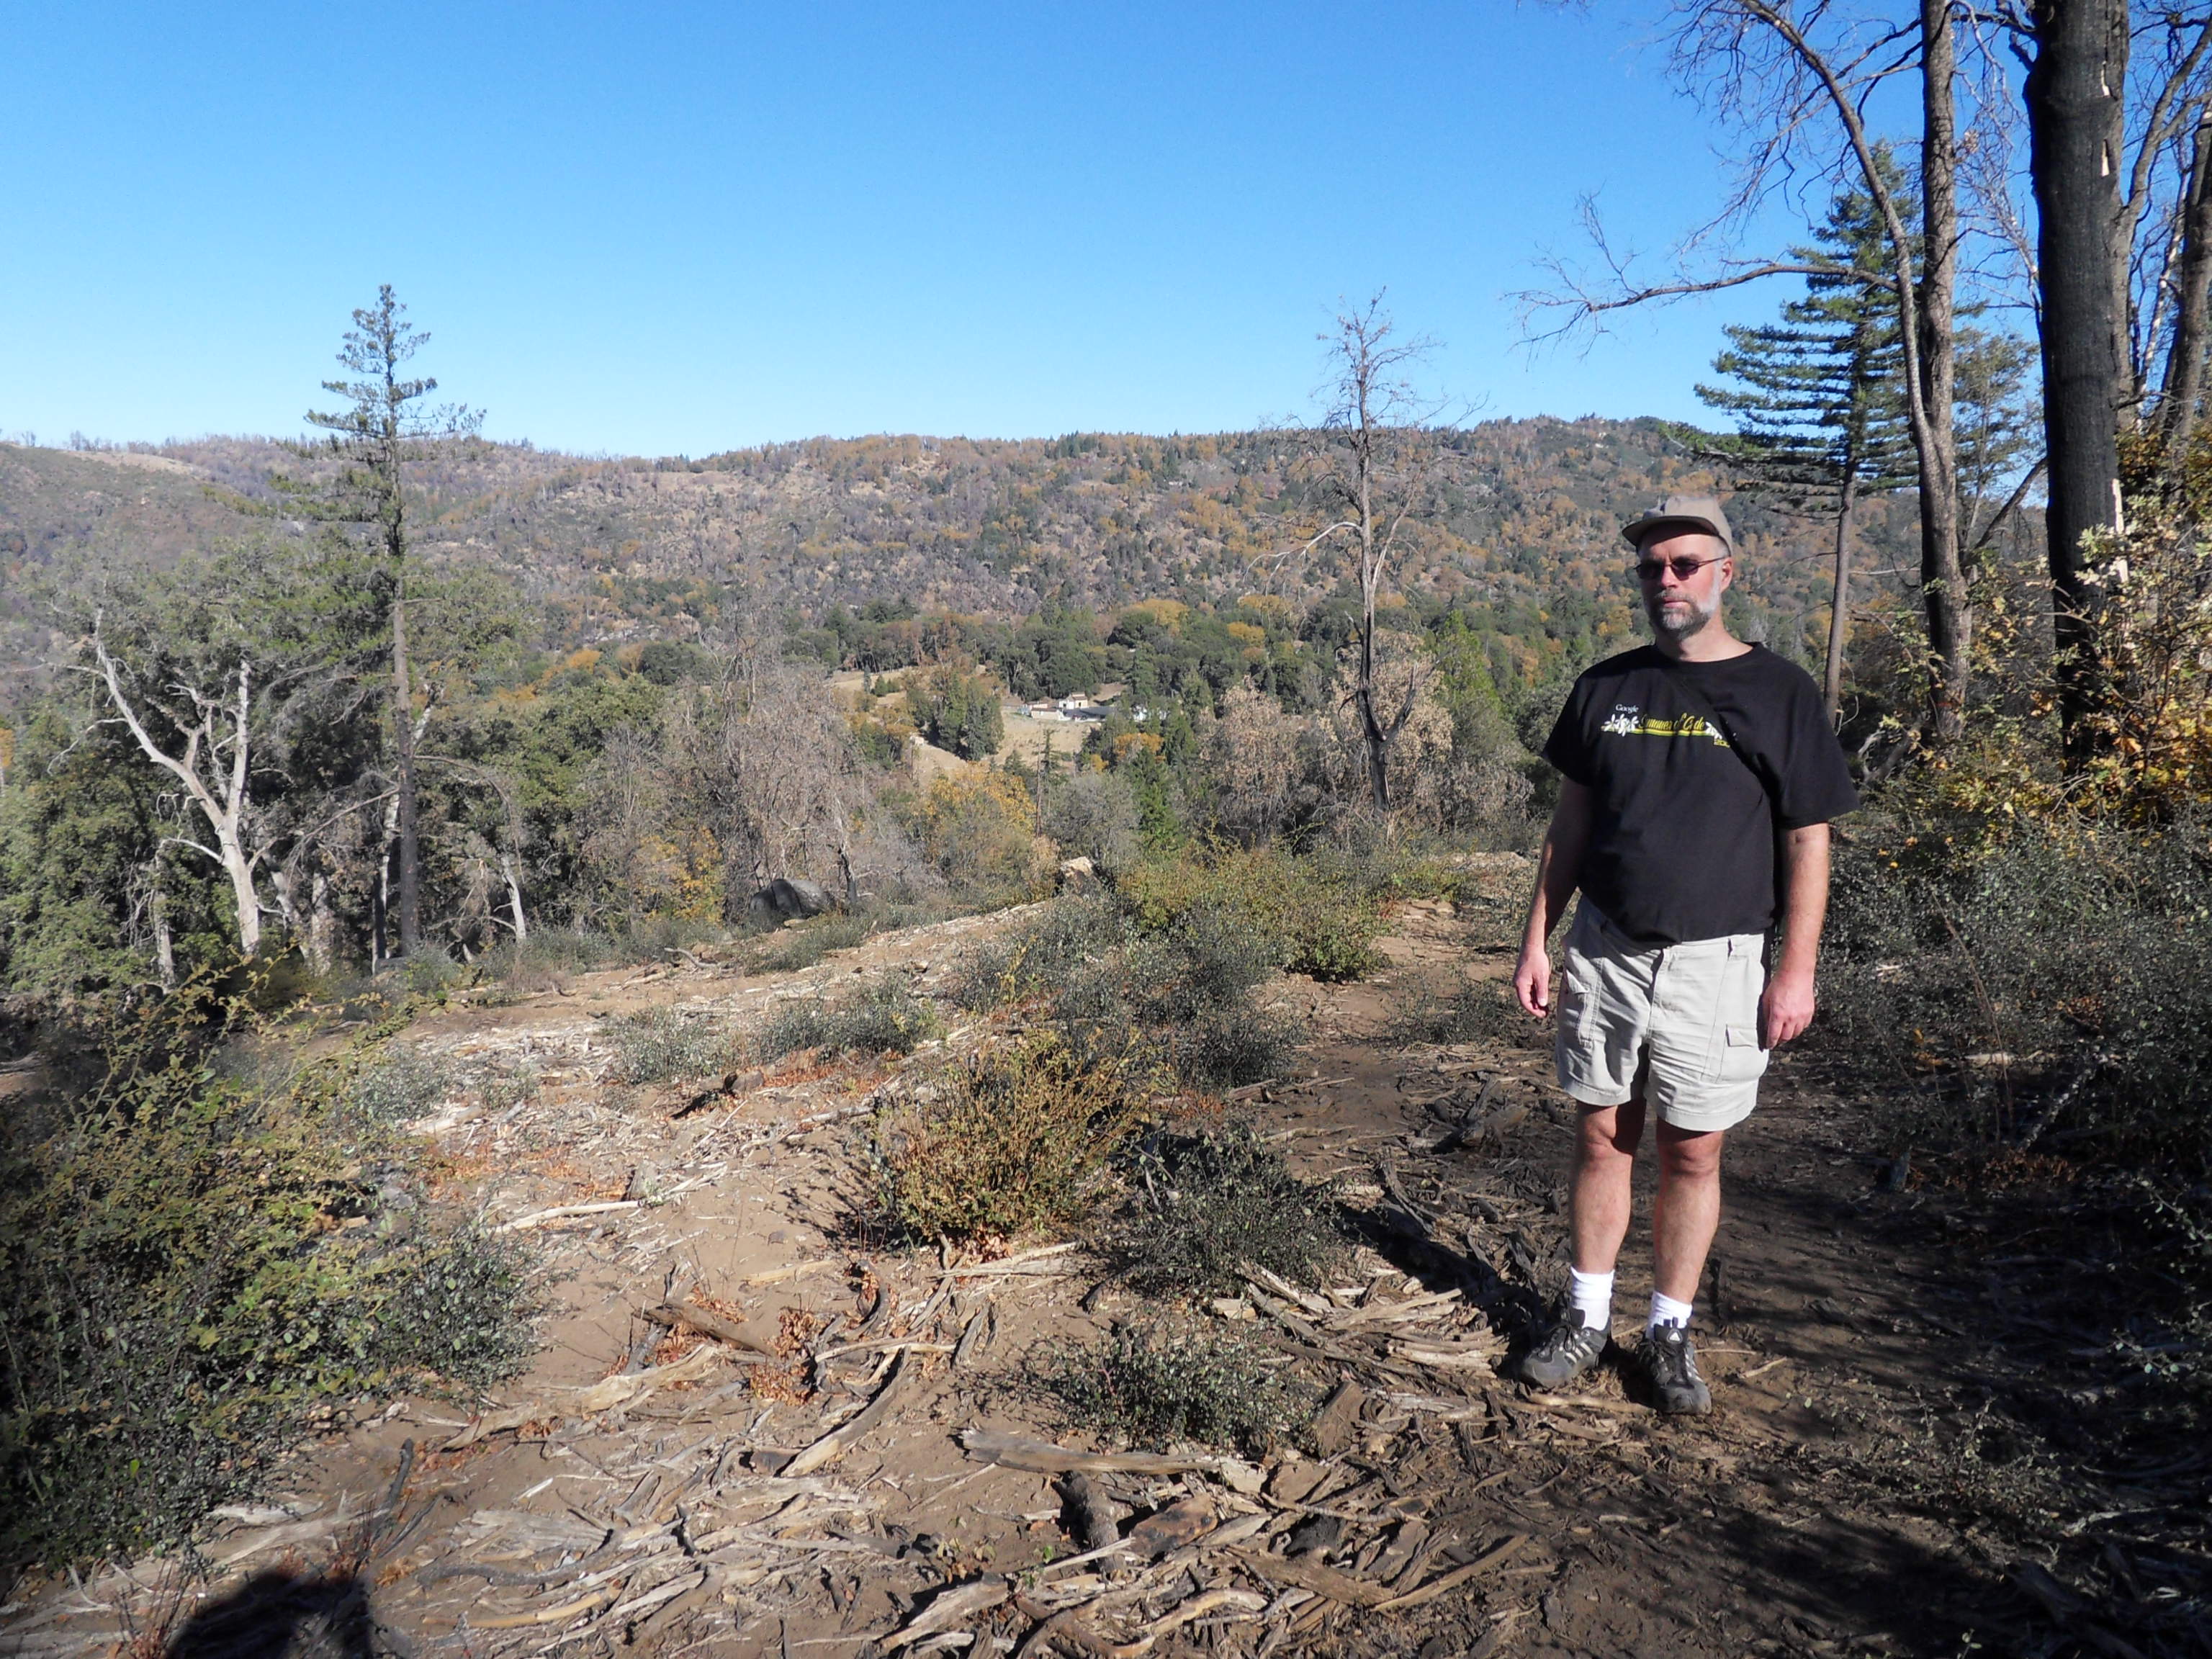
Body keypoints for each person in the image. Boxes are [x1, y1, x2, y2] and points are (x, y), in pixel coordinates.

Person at [1505, 494, 1857, 1414]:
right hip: (1606, 950)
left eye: (1685, 564)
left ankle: (1668, 1330)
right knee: (1600, 1137)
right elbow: (1570, 822)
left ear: (1725, 574)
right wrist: (1537, 936)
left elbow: (1808, 839)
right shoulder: (1605, 687)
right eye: (1652, 568)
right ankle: (1585, 1316)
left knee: (1693, 1153)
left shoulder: (1780, 693)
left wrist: (1796, 971)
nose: (1666, 580)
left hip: (1720, 962)